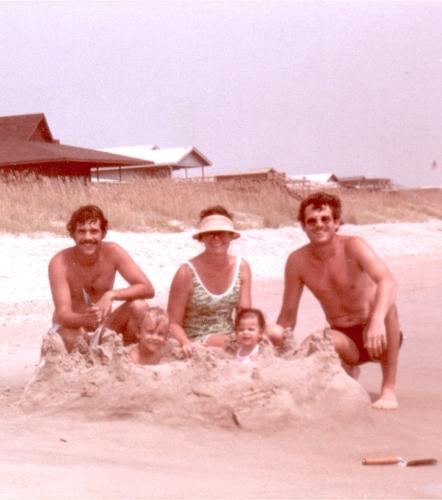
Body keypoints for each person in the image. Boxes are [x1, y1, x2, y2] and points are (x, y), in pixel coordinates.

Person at [276, 192, 402, 410]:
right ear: (303, 226)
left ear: (336, 223)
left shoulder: (354, 245)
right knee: (314, 342)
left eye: (325, 219)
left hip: (377, 334)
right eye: (312, 221)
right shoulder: (297, 261)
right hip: (344, 340)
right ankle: (348, 370)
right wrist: (275, 352)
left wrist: (377, 320)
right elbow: (288, 314)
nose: (319, 225)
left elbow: (388, 281)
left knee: (389, 307)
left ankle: (388, 388)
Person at [48, 205, 155, 352]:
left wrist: (111, 295)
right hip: (72, 330)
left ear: (103, 233)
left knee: (139, 306)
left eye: (94, 231)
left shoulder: (113, 252)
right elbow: (62, 315)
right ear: (73, 235)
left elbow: (147, 288)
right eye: (81, 231)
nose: (88, 237)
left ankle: (126, 363)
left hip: (103, 329)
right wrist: (86, 319)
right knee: (69, 336)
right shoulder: (59, 262)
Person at [167, 205, 252, 357]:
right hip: (195, 338)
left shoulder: (242, 267)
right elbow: (173, 323)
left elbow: (245, 315)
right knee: (236, 342)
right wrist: (185, 343)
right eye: (210, 234)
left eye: (221, 233)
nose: (216, 238)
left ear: (231, 236)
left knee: (273, 335)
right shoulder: (186, 273)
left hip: (231, 335)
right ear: (201, 238)